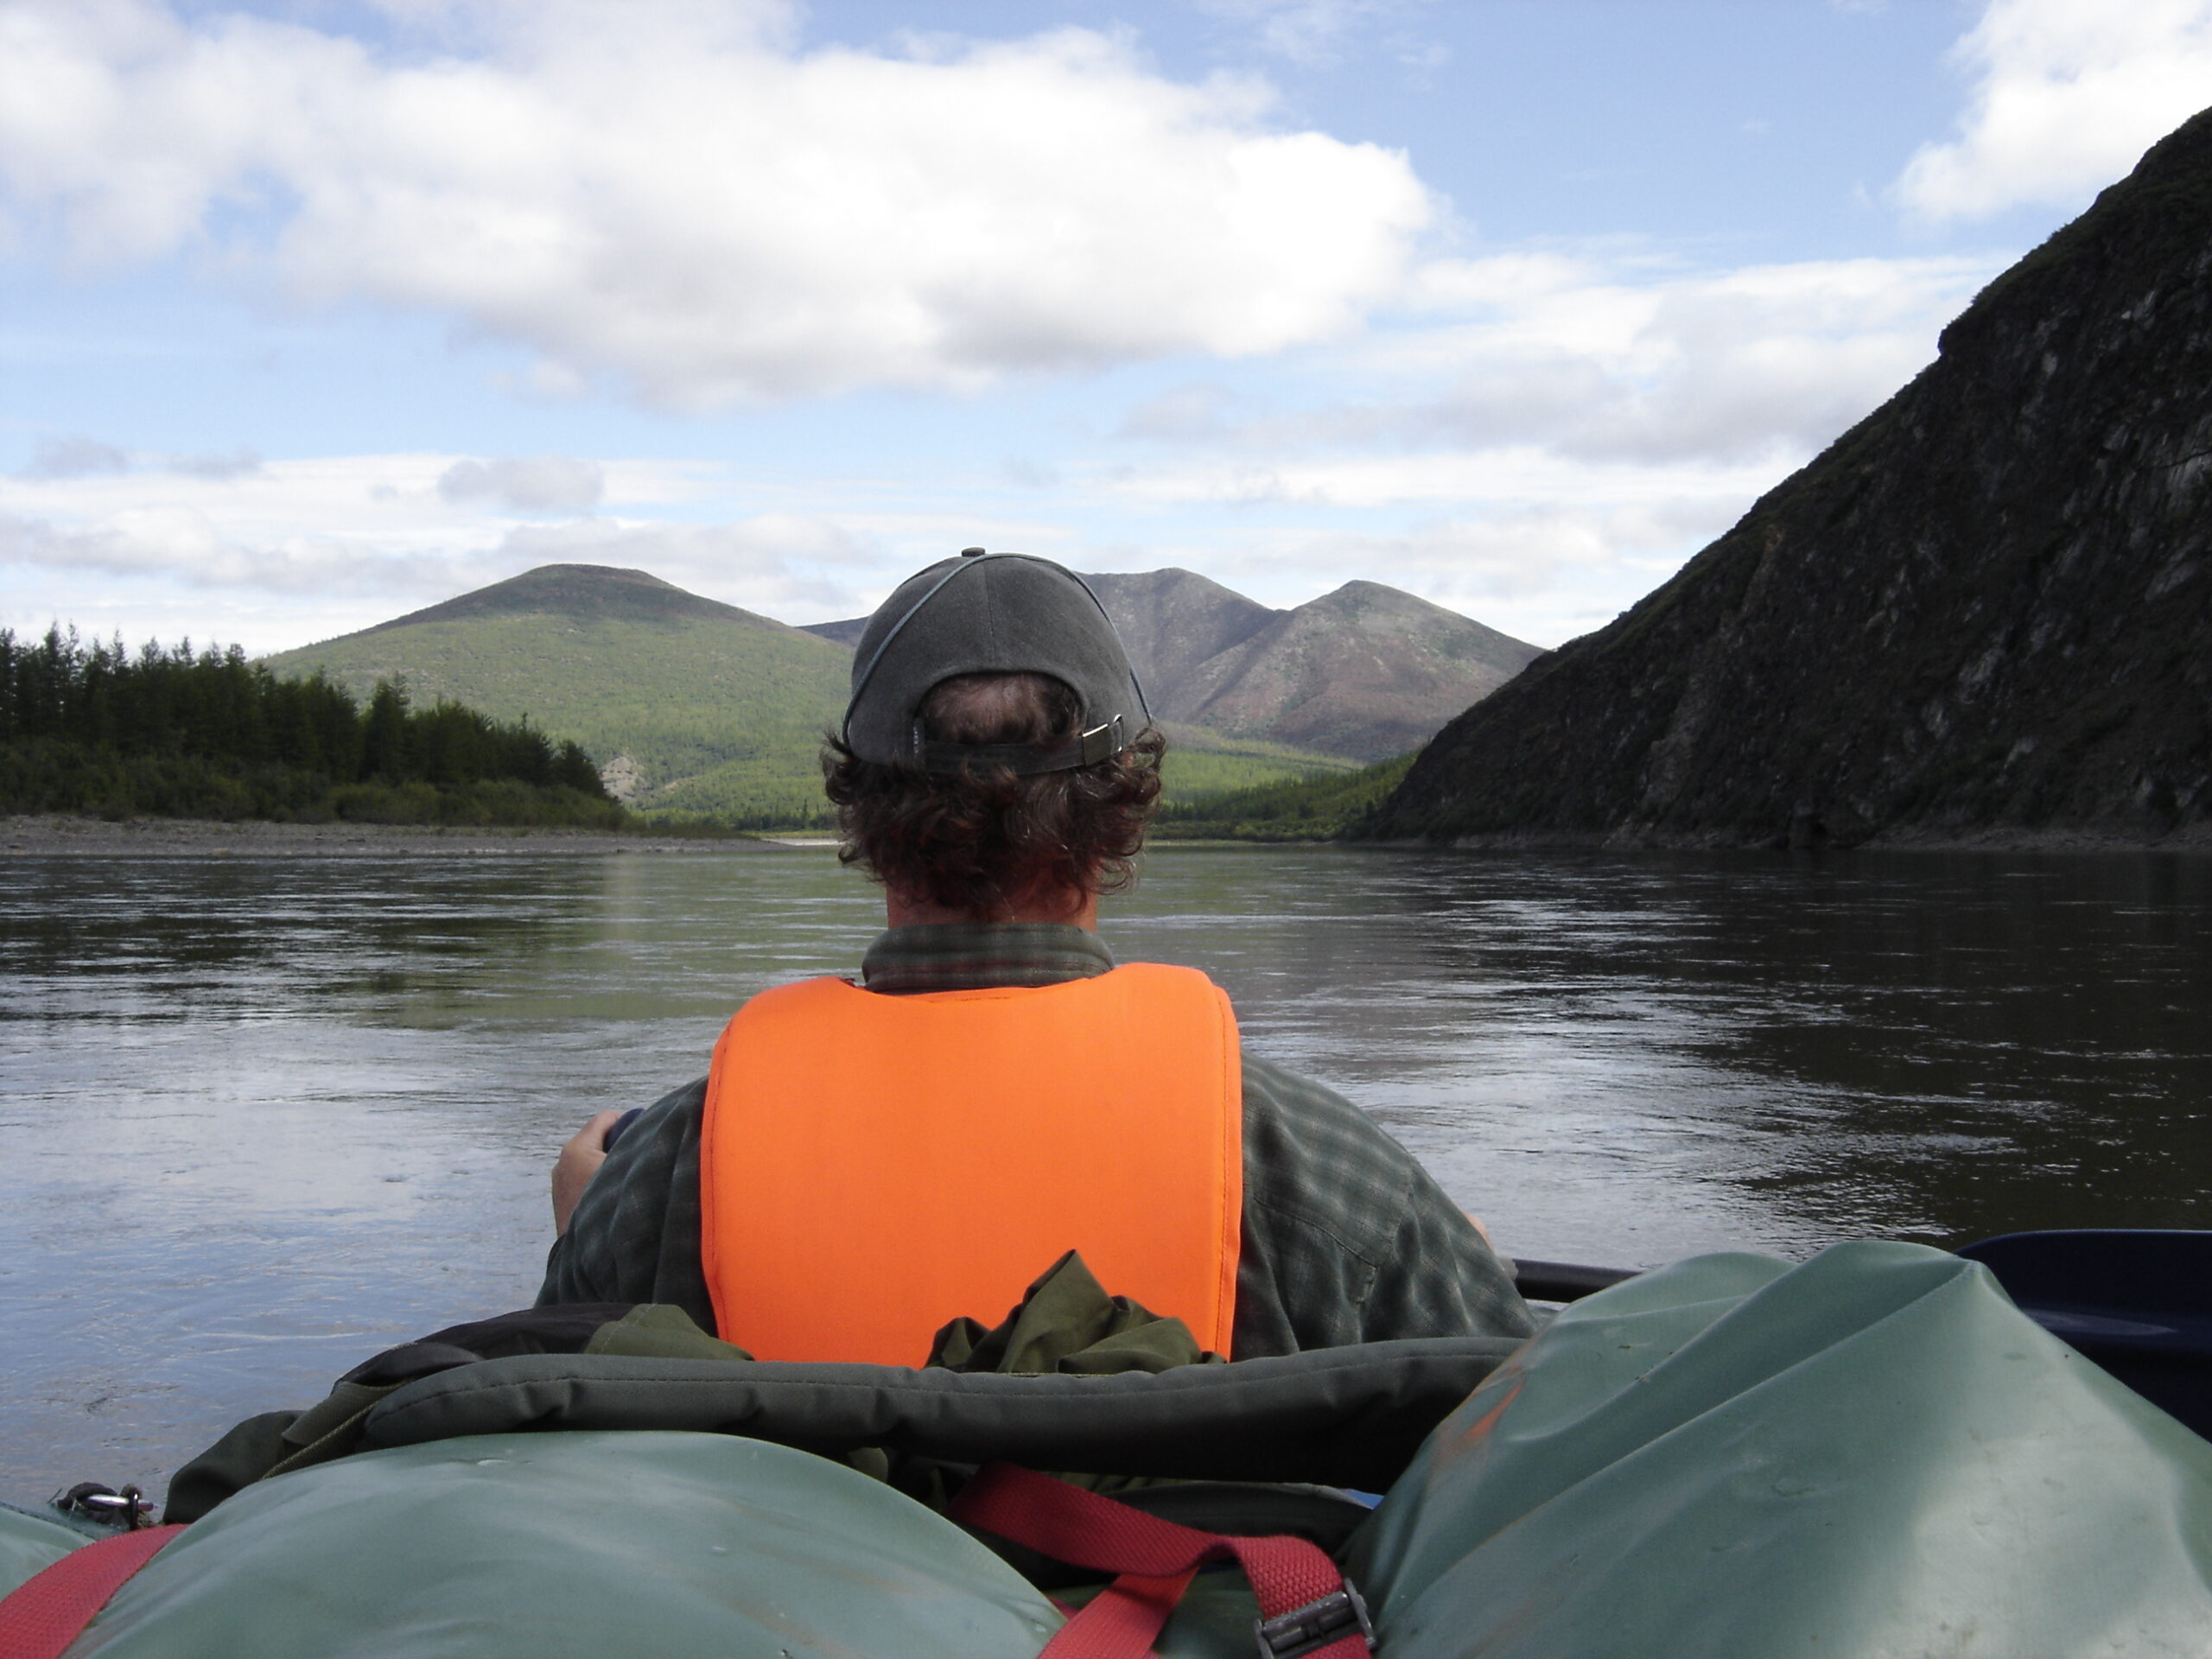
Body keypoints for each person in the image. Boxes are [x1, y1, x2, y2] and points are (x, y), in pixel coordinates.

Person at [538, 549, 1534, 1360]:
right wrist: (1442, 1261)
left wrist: (595, 1227)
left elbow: (564, 1442)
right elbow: (1517, 1430)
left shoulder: (663, 1173)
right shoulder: (1322, 1172)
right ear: (1124, 805)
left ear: (860, 807)